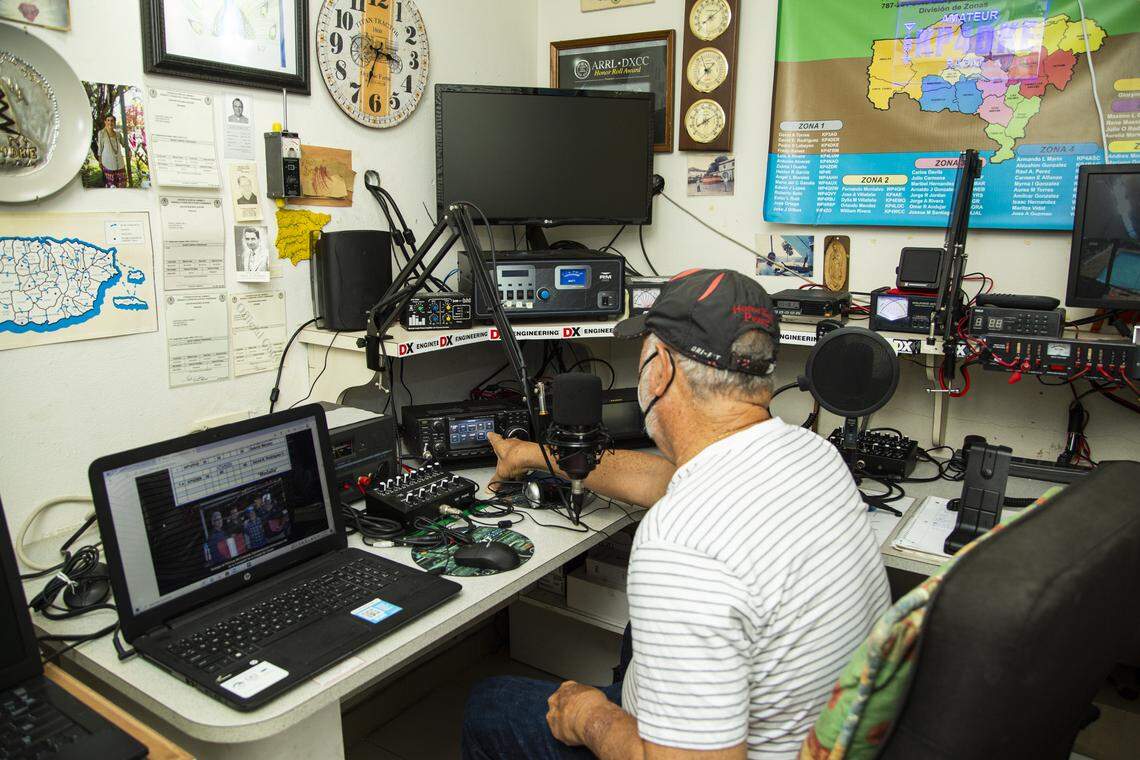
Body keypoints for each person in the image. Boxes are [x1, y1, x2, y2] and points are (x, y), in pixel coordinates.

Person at [461, 269, 890, 760]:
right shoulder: (811, 454)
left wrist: (590, 717)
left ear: (660, 368)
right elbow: (664, 480)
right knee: (634, 637)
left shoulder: (682, 541)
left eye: (642, 352)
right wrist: (533, 454)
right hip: (807, 728)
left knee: (488, 705)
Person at [96, 114, 127, 188]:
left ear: (114, 122)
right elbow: (100, 149)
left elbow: (124, 145)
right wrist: (100, 162)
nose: (110, 122)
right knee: (112, 186)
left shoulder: (118, 134)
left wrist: (129, 150)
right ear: (105, 122)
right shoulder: (101, 133)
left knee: (122, 185)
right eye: (108, 120)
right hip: (108, 163)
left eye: (112, 120)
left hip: (120, 163)